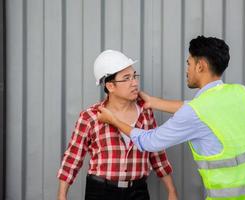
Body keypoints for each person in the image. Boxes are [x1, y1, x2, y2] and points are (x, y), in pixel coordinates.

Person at [97, 36, 245, 199]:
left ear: (200, 66)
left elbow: (149, 142)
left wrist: (113, 120)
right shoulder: (241, 93)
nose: (187, 70)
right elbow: (202, 108)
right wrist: (154, 102)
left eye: (188, 63)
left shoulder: (196, 112)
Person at [57, 50, 177, 200]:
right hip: (100, 192)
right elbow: (72, 158)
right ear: (110, 86)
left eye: (134, 76)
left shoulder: (145, 113)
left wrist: (172, 191)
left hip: (138, 192)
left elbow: (157, 155)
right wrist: (62, 195)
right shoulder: (90, 117)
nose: (134, 83)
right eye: (126, 78)